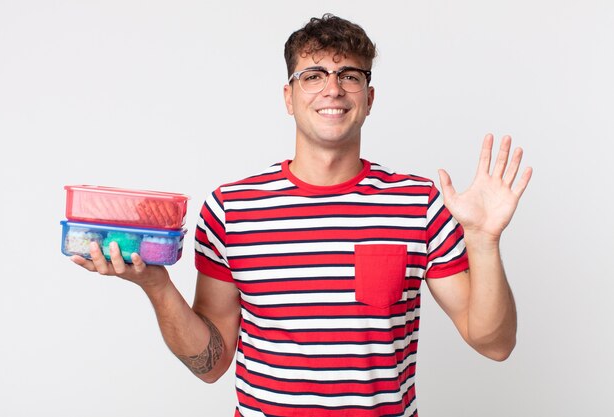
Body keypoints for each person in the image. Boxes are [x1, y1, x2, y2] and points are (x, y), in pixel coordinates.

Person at [72, 13, 532, 417]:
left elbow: (494, 343)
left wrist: (483, 239)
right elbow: (212, 365)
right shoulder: (231, 210)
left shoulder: (420, 204)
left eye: (350, 75)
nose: (333, 88)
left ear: (369, 99)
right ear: (289, 97)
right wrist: (156, 286)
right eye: (313, 74)